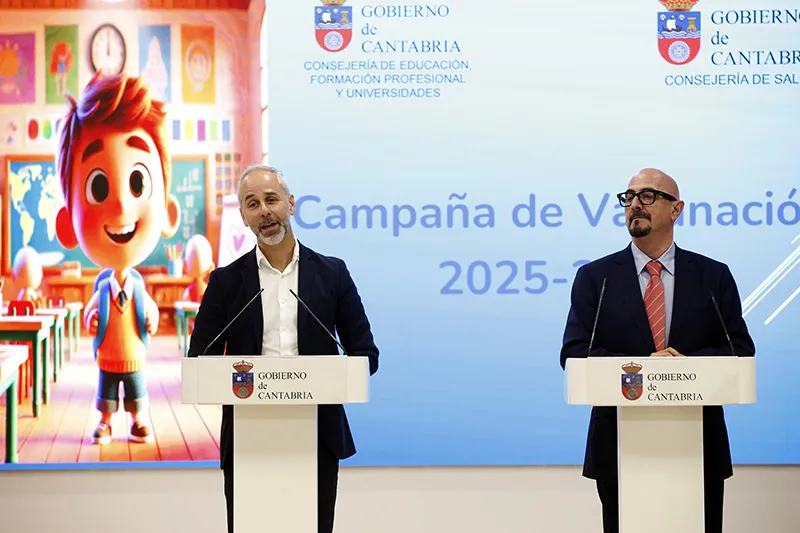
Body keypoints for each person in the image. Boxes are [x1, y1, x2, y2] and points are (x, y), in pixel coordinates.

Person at [559, 168, 755, 533]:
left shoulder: (713, 276)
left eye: (648, 196)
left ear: (676, 209)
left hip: (700, 445)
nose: (635, 204)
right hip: (618, 446)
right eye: (629, 197)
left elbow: (739, 350)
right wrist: (645, 366)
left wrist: (681, 367)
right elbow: (574, 353)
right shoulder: (596, 278)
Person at [187, 164, 380, 533]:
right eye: (253, 204)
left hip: (318, 435)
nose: (264, 211)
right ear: (243, 217)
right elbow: (199, 360)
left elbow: (365, 355)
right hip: (247, 438)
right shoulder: (226, 283)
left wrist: (325, 376)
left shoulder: (333, 274)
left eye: (271, 200)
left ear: (290, 204)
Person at [55, 72, 181, 445]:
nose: (122, 205)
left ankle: (139, 419)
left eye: (138, 182)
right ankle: (106, 422)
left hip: (135, 355)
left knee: (137, 388)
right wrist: (91, 317)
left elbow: (149, 312)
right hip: (108, 357)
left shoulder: (138, 289)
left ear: (168, 214)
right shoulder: (101, 290)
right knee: (107, 390)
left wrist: (152, 316)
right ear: (67, 225)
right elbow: (92, 313)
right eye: (98, 186)